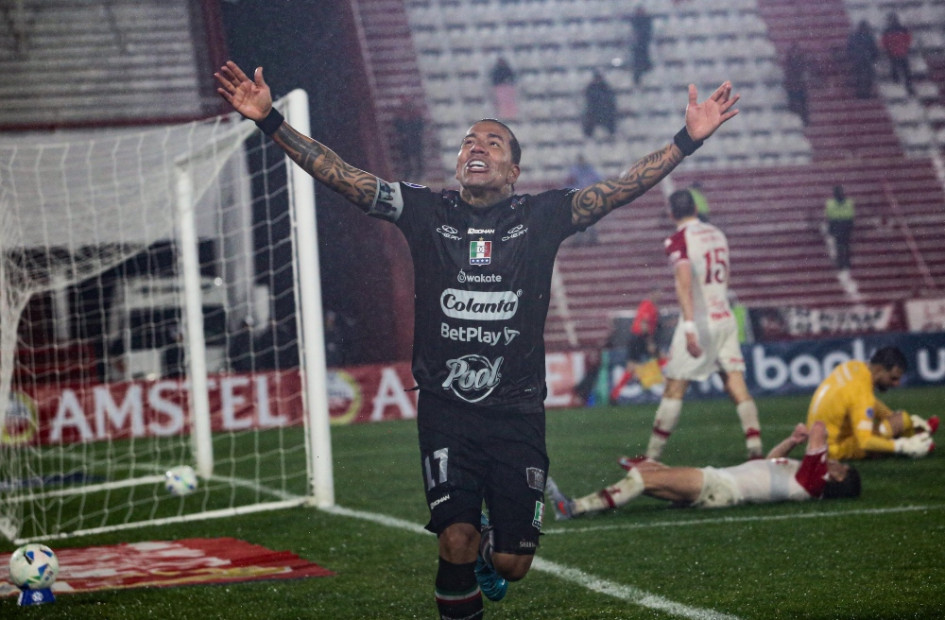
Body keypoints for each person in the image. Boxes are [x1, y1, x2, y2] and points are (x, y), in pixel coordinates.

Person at [215, 59, 739, 619]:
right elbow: (343, 176)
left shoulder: (542, 214)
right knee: (454, 541)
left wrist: (686, 140)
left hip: (517, 413)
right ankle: (468, 553)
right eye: (469, 141)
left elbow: (616, 190)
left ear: (514, 170)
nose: (477, 146)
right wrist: (270, 121)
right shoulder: (423, 209)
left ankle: (496, 543)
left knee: (512, 562)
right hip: (447, 411)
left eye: (493, 141)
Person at [645, 189, 763, 461]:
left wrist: (688, 327)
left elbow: (684, 282)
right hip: (724, 316)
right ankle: (755, 449)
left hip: (700, 320)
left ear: (671, 213)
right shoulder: (717, 234)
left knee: (675, 386)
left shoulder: (678, 240)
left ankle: (651, 458)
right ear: (696, 210)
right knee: (735, 381)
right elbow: (725, 277)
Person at [548, 421, 860, 520]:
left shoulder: (817, 480)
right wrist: (792, 441)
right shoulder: (806, 479)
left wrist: (821, 445)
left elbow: (819, 429)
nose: (835, 462)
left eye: (840, 466)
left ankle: (573, 507)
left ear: (839, 477)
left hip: (721, 485)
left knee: (644, 477)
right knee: (649, 472)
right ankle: (636, 477)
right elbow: (770, 461)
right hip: (721, 486)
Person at [806, 346, 936, 460]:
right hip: (831, 451)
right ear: (879, 369)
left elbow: (867, 402)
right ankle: (914, 440)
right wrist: (901, 446)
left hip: (817, 441)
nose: (897, 384)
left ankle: (914, 433)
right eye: (893, 378)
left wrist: (890, 415)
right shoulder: (861, 392)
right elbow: (865, 442)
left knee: (900, 420)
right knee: (902, 420)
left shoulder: (853, 366)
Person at [609, 290, 662, 404]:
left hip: (639, 338)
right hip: (639, 338)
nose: (659, 296)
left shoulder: (651, 306)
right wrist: (648, 342)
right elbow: (644, 323)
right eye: (658, 293)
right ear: (653, 294)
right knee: (656, 361)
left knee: (633, 368)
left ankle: (615, 395)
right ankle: (651, 388)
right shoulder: (648, 305)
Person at [565, 154, 603, 245]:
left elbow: (599, 182)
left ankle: (592, 238)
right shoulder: (574, 171)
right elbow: (568, 184)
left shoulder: (590, 171)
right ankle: (578, 239)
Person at [392, 96, 425, 180]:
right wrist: (402, 134)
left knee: (417, 156)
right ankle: (408, 172)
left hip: (414, 138)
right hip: (405, 139)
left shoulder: (415, 113)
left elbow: (420, 125)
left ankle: (419, 173)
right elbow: (397, 124)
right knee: (406, 157)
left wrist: (415, 133)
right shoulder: (401, 114)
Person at [881, 12, 914, 96]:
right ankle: (905, 86)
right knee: (904, 71)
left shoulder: (887, 30)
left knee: (898, 71)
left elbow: (884, 42)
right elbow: (908, 39)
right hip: (900, 52)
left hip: (895, 53)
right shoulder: (902, 29)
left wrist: (888, 49)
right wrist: (905, 47)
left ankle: (901, 85)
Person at [824, 184, 854, 271]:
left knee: (842, 245)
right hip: (840, 225)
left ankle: (843, 263)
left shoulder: (831, 203)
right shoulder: (832, 203)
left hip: (841, 225)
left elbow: (828, 216)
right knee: (842, 245)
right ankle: (843, 263)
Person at [847, 20, 879, 99]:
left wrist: (874, 57)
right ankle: (860, 93)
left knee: (868, 77)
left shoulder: (868, 36)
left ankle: (866, 92)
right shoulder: (855, 37)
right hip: (860, 60)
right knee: (860, 77)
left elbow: (874, 48)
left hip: (866, 60)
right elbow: (849, 48)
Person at [582, 70, 618, 139]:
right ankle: (588, 136)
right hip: (594, 111)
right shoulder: (590, 87)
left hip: (605, 111)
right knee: (589, 122)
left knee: (610, 121)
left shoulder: (606, 87)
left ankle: (612, 134)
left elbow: (611, 99)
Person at [784, 43, 809, 125]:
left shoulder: (800, 61)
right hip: (793, 86)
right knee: (794, 103)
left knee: (802, 102)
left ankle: (804, 119)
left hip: (799, 86)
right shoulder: (790, 61)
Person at [629, 6, 654, 85]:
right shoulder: (634, 21)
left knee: (642, 59)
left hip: (642, 45)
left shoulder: (646, 21)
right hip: (638, 47)